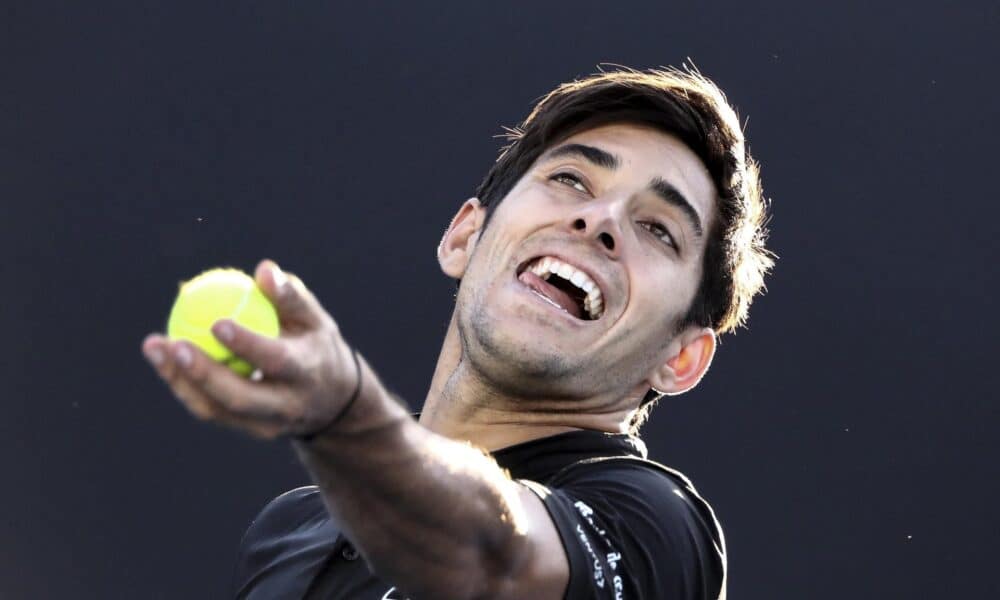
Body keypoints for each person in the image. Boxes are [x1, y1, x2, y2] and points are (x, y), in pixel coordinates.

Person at [141, 65, 773, 600]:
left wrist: (347, 417)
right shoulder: (291, 532)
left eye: (659, 229)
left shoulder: (657, 527)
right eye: (571, 179)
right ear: (464, 236)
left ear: (682, 358)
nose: (599, 218)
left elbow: (495, 560)